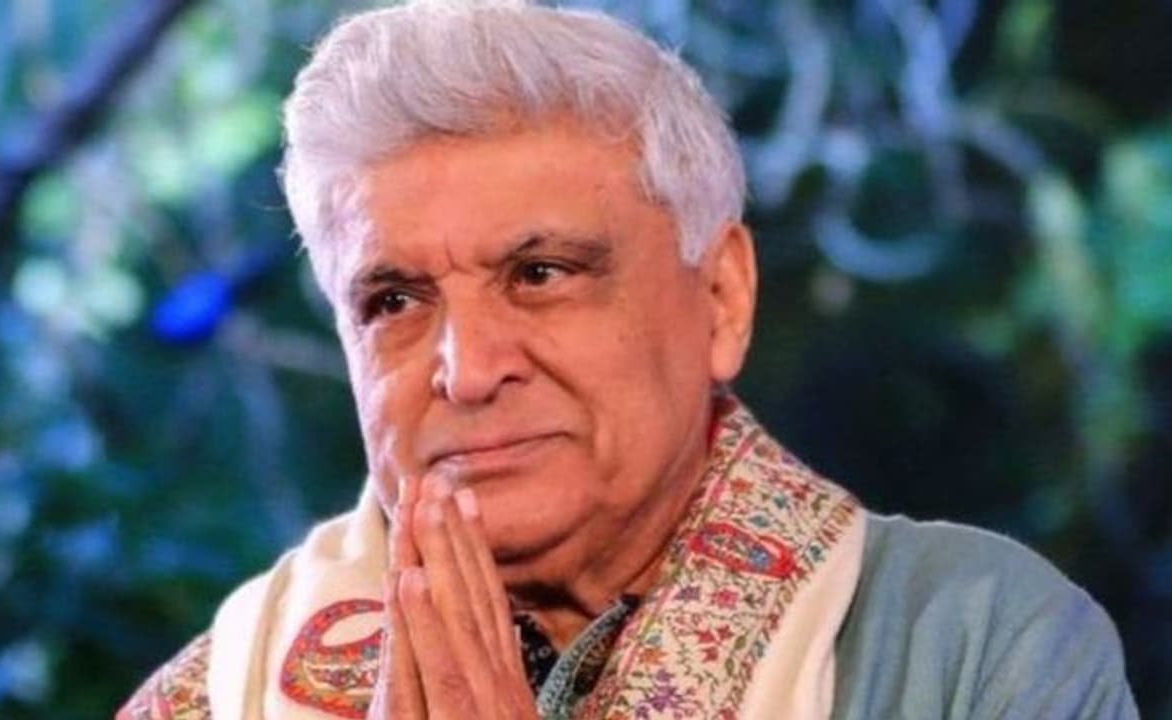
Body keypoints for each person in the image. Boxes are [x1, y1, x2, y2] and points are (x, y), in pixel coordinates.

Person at [118, 1, 1138, 718]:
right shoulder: (223, 695)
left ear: (721, 297)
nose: (466, 370)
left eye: (541, 275)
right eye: (394, 301)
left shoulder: (974, 647)